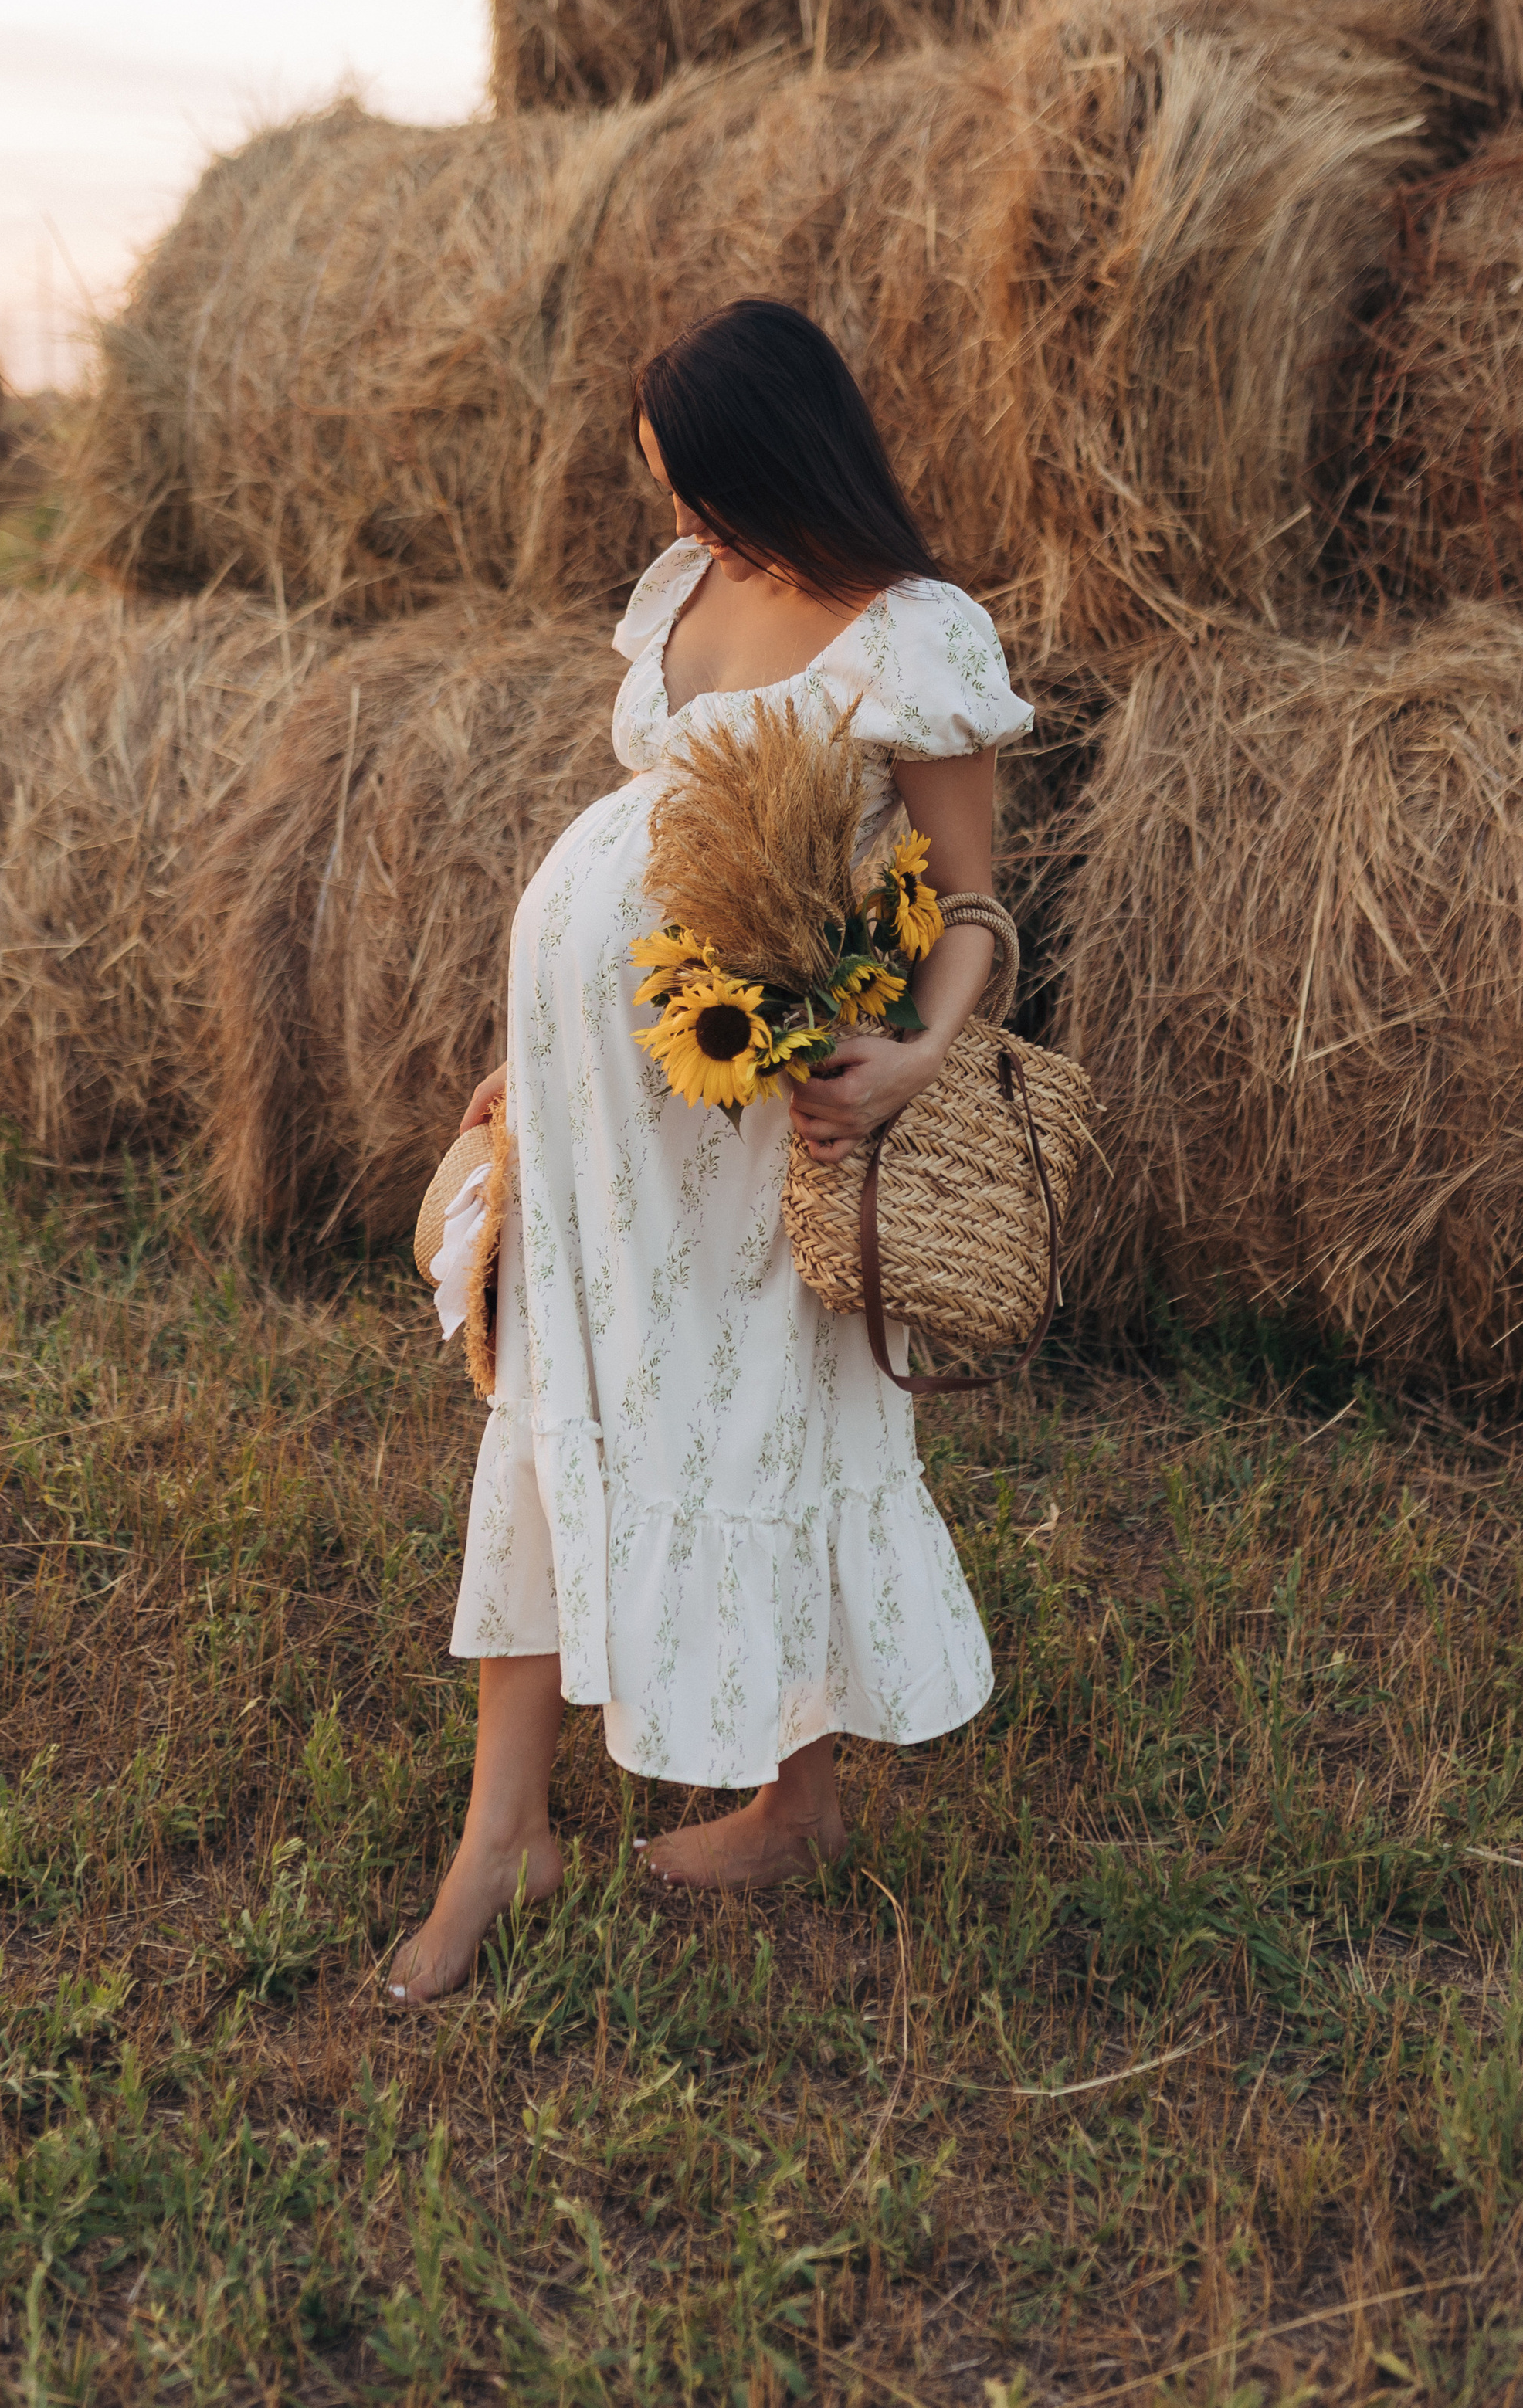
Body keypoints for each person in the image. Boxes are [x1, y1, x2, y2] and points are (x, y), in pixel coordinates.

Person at [389, 296, 1033, 2005]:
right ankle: (503, 1836)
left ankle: (790, 1802)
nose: (677, 519)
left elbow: (970, 903)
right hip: (588, 1104)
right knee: (548, 1394)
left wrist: (911, 1057)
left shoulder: (913, 634)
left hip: (756, 1125)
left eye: (698, 483)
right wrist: (518, 1063)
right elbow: (634, 845)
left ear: (774, 454)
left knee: (760, 1410)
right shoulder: (693, 591)